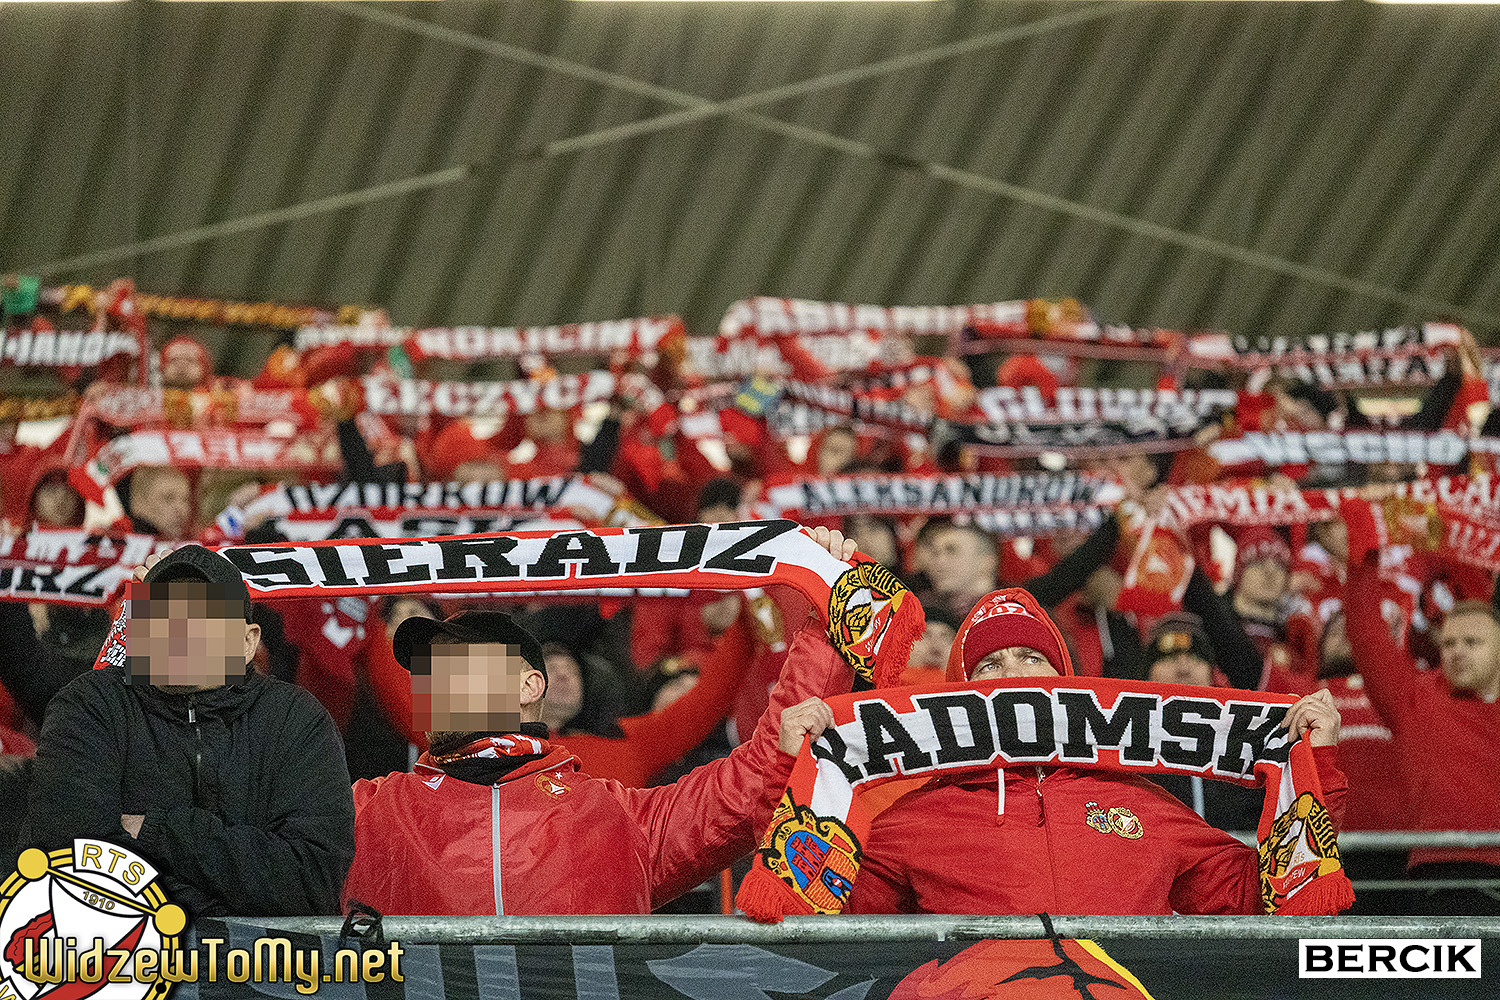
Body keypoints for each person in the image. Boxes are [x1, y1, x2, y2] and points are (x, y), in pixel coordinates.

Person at [340, 528, 856, 915]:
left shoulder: (620, 818)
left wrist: (829, 610)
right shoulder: (365, 811)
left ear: (529, 687)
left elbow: (753, 778)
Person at [840, 587, 1346, 915]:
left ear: (1066, 681)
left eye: (1031, 657)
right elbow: (819, 914)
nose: (1013, 675)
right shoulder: (914, 818)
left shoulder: (1142, 801)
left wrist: (1313, 766)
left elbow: (1259, 894)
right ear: (956, 694)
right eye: (990, 665)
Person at [22, 545, 356, 918]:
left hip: (271, 957)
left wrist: (158, 831)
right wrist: (217, 909)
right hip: (122, 952)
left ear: (247, 642)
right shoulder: (90, 706)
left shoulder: (297, 720)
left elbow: (311, 884)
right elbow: (72, 867)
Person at [1342, 499, 1500, 914]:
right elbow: (1367, 633)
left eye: (1472, 642)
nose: (1457, 651)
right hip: (1440, 878)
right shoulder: (1416, 697)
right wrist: (1363, 560)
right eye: (1449, 643)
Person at [1139, 613, 1266, 834]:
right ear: (1146, 673)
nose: (1184, 669)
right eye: (1169, 658)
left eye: (1196, 658)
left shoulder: (1242, 744)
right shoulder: (1129, 746)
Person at [125, 465, 194, 540]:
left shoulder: (194, 541)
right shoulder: (120, 543)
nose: (181, 509)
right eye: (168, 498)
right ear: (139, 502)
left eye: (185, 499)